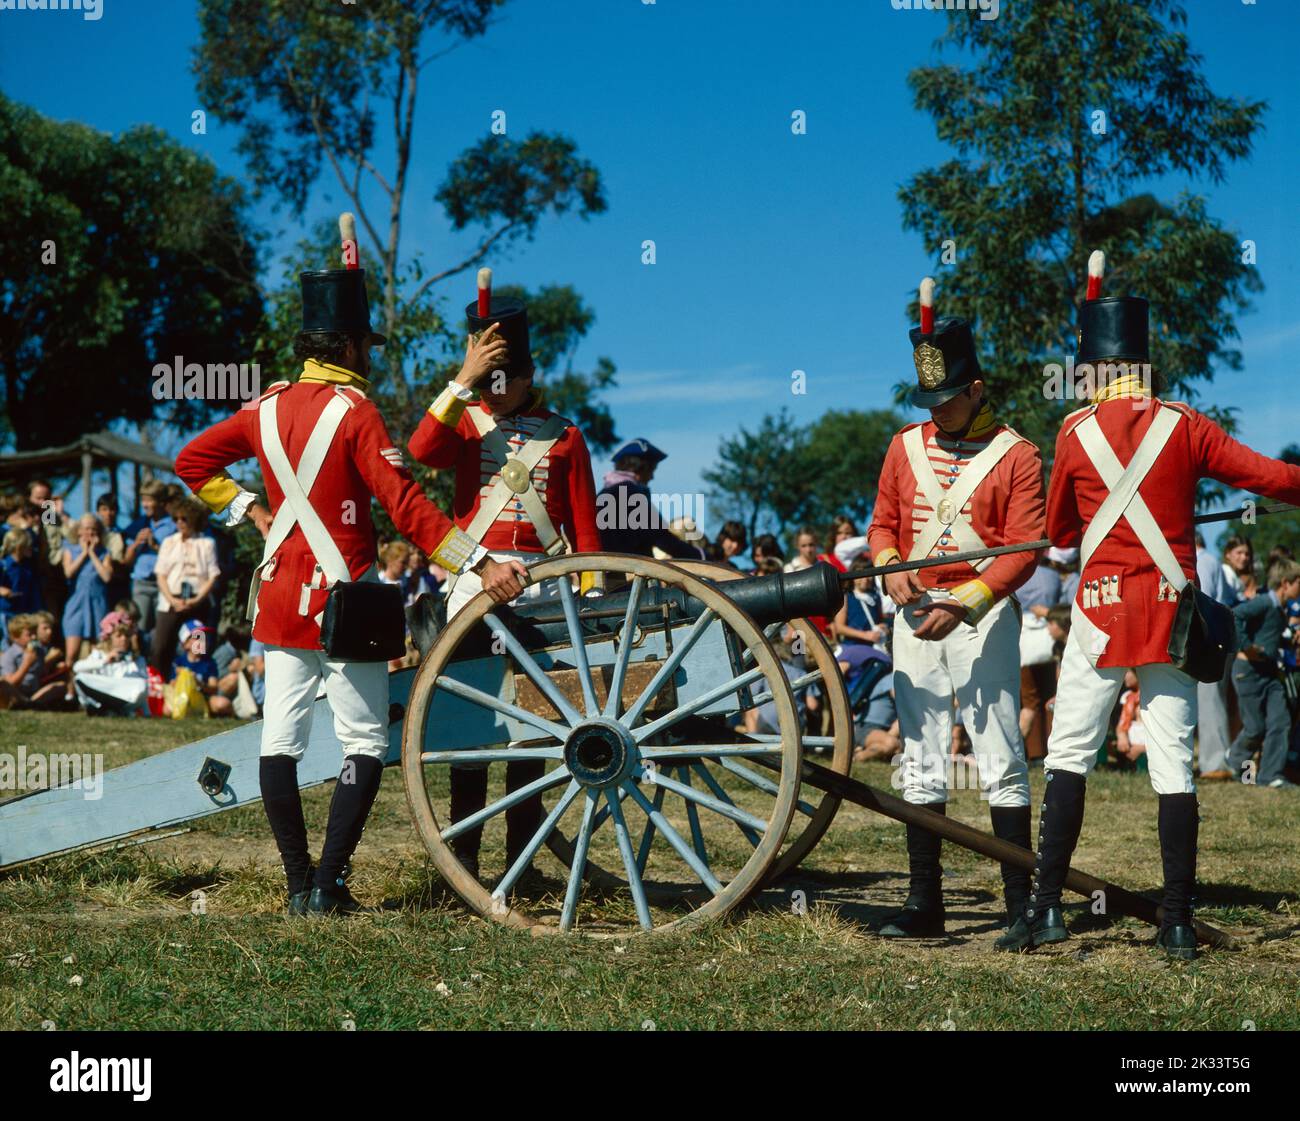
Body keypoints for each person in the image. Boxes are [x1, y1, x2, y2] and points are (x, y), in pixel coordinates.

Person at [176, 248, 526, 916]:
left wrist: (249, 509)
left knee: (278, 741)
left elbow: (190, 460)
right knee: (364, 742)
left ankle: (297, 883)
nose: (369, 352)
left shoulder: (265, 406)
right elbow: (408, 508)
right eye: (365, 341)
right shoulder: (357, 412)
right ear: (345, 343)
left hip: (280, 596)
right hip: (346, 601)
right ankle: (330, 883)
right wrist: (480, 563)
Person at [1003, 267, 1300, 961]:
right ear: (1143, 361)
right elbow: (1269, 477)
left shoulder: (1075, 432)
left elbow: (1061, 534)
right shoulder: (1187, 424)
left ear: (1092, 367)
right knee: (1174, 766)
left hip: (1101, 614)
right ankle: (1174, 921)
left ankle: (1046, 909)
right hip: (1172, 616)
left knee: (1071, 754)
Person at [868, 280, 1045, 939]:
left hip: (981, 612)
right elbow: (884, 524)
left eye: (949, 398)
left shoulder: (1019, 455)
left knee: (999, 748)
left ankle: (1018, 905)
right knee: (920, 753)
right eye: (930, 401)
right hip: (914, 614)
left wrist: (966, 603)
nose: (938, 412)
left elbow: (1022, 550)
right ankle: (925, 905)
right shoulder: (901, 447)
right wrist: (891, 571)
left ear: (977, 389)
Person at [407, 284, 598, 878]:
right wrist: (462, 379)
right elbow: (420, 449)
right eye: (488, 378)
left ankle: (522, 858)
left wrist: (590, 598)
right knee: (474, 725)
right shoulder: (463, 421)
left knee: (535, 729)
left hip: (544, 582)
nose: (496, 390)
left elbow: (587, 531)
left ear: (527, 374)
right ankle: (463, 858)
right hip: (474, 576)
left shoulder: (564, 434)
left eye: (502, 378)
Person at [1226, 560, 1300, 789]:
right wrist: (1247, 647)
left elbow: (1269, 638)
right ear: (1286, 583)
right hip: (1247, 673)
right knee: (1255, 728)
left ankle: (1271, 776)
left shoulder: (1281, 608)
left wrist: (1290, 639)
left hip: (1270, 674)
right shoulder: (1264, 602)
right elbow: (1235, 615)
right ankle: (1234, 761)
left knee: (1281, 721)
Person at [595, 439, 704, 560]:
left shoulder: (603, 494)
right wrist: (701, 556)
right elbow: (661, 538)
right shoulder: (631, 492)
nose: (652, 477)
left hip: (605, 568)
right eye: (652, 470)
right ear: (641, 467)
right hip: (628, 570)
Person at [150, 500, 221, 674]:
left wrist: (196, 600)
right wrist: (173, 600)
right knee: (160, 647)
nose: (180, 522)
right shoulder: (168, 542)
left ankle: (198, 686)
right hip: (170, 601)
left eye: (184, 518)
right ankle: (159, 689)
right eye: (176, 519)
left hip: (198, 601)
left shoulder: (207, 543)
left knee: (198, 649)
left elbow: (213, 575)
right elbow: (160, 574)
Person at [1195, 530, 1237, 781]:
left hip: (1209, 641)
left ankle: (1215, 762)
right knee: (1212, 700)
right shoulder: (1210, 560)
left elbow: (1202, 600)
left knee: (1210, 701)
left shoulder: (1202, 561)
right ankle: (1213, 760)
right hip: (1216, 639)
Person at [60, 514, 114, 680]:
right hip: (76, 605)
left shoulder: (104, 553)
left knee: (96, 652)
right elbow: (68, 572)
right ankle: (70, 693)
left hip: (97, 605)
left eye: (93, 529)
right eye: (85, 528)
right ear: (78, 531)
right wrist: (83, 553)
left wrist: (92, 553)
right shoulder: (69, 550)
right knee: (71, 654)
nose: (89, 532)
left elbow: (106, 577)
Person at [122, 480, 177, 639]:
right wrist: (136, 544)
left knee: (161, 632)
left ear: (160, 502)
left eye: (149, 500)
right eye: (143, 500)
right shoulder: (139, 524)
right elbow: (127, 561)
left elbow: (176, 559)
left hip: (164, 585)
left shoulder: (173, 526)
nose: (145, 504)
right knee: (139, 630)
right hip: (141, 585)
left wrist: (155, 546)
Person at [71, 611, 149, 717]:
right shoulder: (99, 655)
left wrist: (147, 713)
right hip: (104, 690)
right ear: (109, 637)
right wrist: (104, 662)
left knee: (141, 684)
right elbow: (77, 667)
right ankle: (100, 707)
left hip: (125, 695)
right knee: (80, 678)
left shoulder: (137, 659)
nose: (123, 639)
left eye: (126, 636)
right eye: (119, 636)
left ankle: (117, 709)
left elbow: (142, 689)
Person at [0, 527, 42, 628]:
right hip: (5, 614)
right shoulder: (4, 565)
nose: (31, 547)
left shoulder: (27, 568)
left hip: (22, 615)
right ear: (19, 547)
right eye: (28, 545)